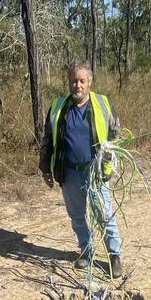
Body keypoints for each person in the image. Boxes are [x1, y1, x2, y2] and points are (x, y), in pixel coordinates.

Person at [39, 61, 123, 278]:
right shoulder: (58, 106)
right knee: (77, 216)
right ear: (69, 82)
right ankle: (86, 251)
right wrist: (45, 168)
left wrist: (108, 165)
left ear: (89, 83)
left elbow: (115, 135)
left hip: (94, 172)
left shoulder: (102, 104)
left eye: (82, 81)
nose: (77, 85)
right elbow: (48, 139)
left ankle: (114, 256)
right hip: (69, 173)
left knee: (104, 214)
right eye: (74, 81)